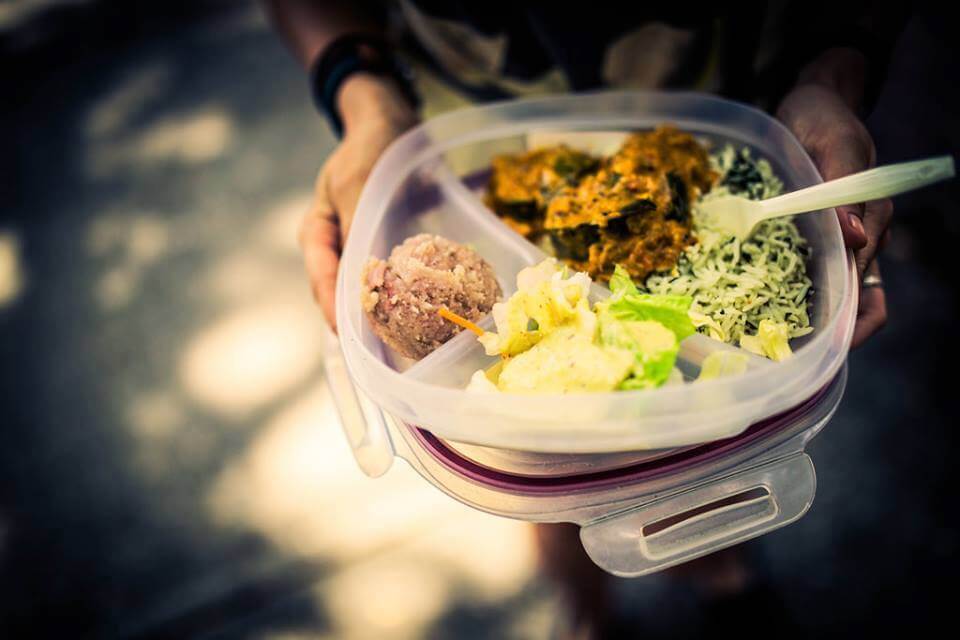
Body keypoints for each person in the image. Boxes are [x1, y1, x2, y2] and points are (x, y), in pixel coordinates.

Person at [265, 1, 905, 635]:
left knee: (709, 450)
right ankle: (585, 609)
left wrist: (832, 71)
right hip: (461, 138)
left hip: (710, 103)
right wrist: (363, 94)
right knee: (548, 475)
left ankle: (719, 568)